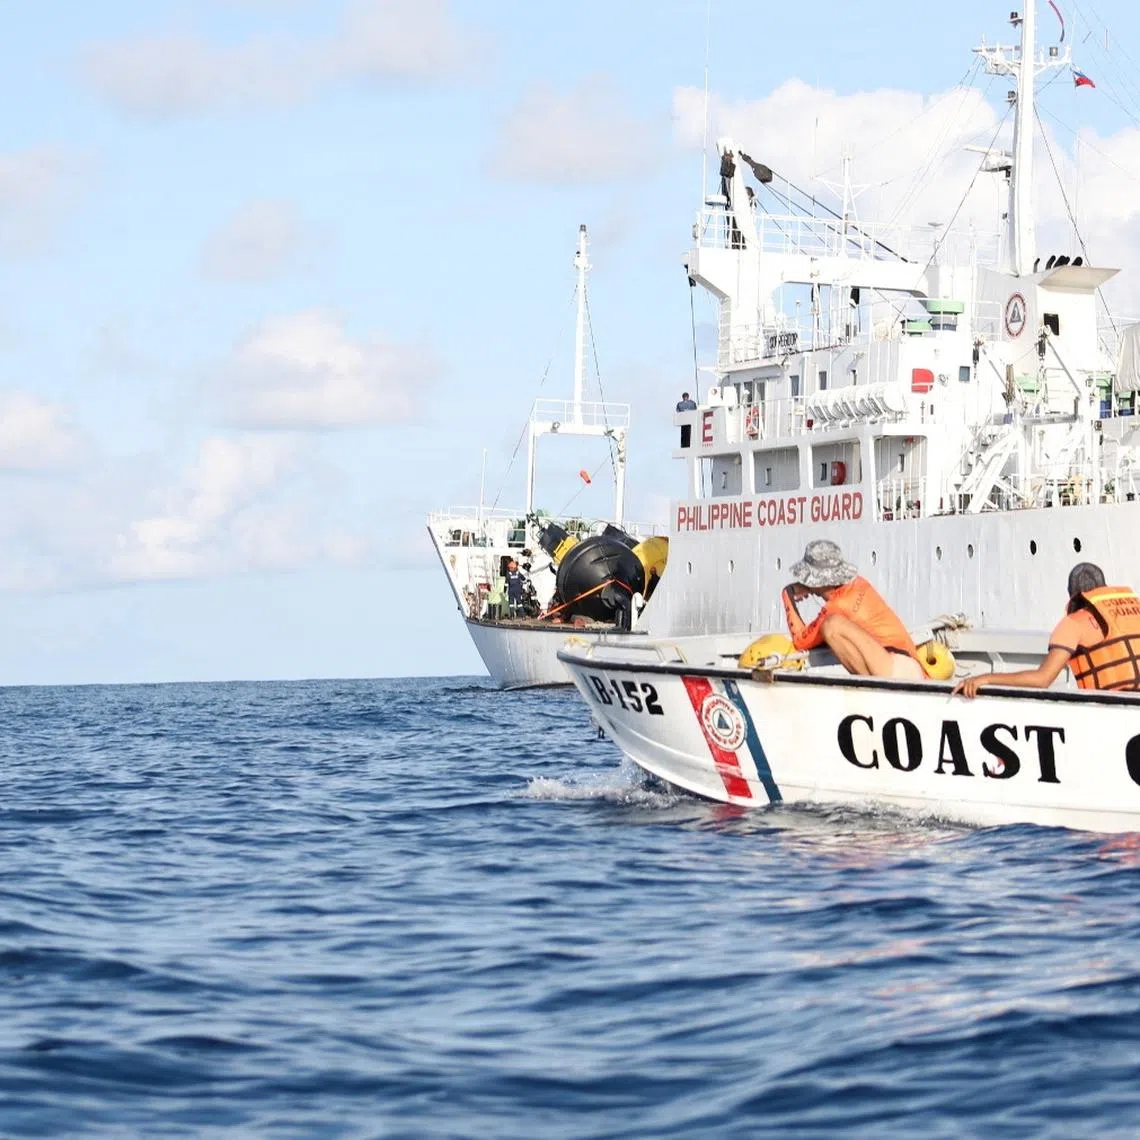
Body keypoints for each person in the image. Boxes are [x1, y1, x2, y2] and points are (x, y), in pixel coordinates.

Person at [954, 562, 1140, 698]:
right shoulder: (1135, 610)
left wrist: (984, 679)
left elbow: (1042, 679)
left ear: (1072, 594)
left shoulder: (1073, 623)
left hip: (1113, 713)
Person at [781, 539, 927, 679]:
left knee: (831, 625)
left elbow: (800, 641)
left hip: (894, 668)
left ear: (816, 580)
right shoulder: (859, 584)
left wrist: (788, 594)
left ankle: (870, 688)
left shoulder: (837, 607)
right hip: (908, 665)